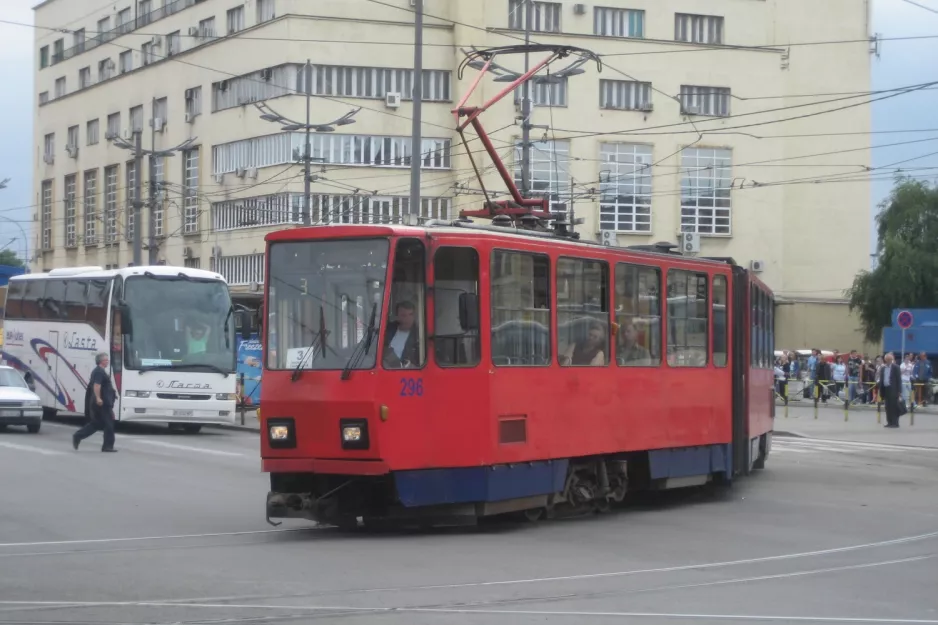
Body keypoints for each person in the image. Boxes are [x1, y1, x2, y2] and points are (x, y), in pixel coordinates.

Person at [72, 352, 117, 452]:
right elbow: (97, 385)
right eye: (106, 360)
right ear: (101, 361)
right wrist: (98, 398)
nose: (108, 361)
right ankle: (107, 446)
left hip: (103, 402)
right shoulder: (98, 372)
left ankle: (78, 436)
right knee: (109, 424)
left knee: (98, 423)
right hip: (102, 403)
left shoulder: (101, 371)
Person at [383, 300, 420, 367]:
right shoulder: (388, 329)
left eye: (410, 314)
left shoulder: (419, 335)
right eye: (403, 315)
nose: (408, 319)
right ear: (397, 317)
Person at [879, 352, 902, 428]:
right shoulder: (883, 368)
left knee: (894, 407)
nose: (888, 361)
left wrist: (899, 391)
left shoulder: (896, 367)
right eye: (887, 359)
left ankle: (895, 423)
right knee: (887, 407)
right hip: (885, 389)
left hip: (893, 390)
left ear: (892, 360)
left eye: (890, 359)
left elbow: (899, 380)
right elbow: (882, 379)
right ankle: (889, 422)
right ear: (885, 360)